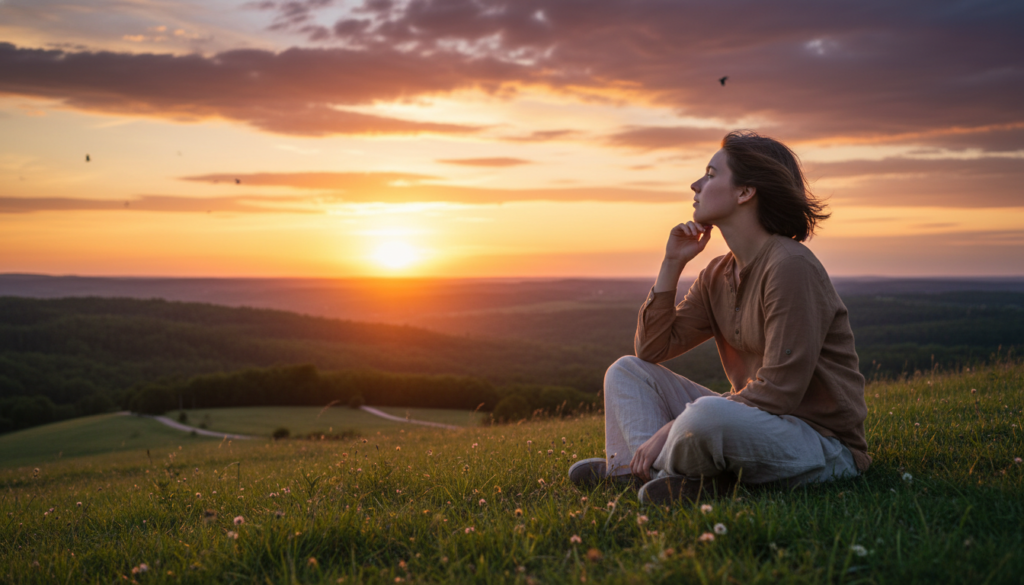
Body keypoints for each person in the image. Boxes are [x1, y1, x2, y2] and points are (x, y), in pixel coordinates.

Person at [568, 130, 869, 504]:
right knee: (626, 371)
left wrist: (671, 428)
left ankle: (643, 470)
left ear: (745, 192)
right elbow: (651, 348)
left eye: (711, 174)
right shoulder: (717, 273)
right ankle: (670, 476)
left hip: (819, 444)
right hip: (756, 420)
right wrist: (671, 264)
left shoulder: (790, 266)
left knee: (706, 417)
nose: (695, 185)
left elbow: (780, 391)